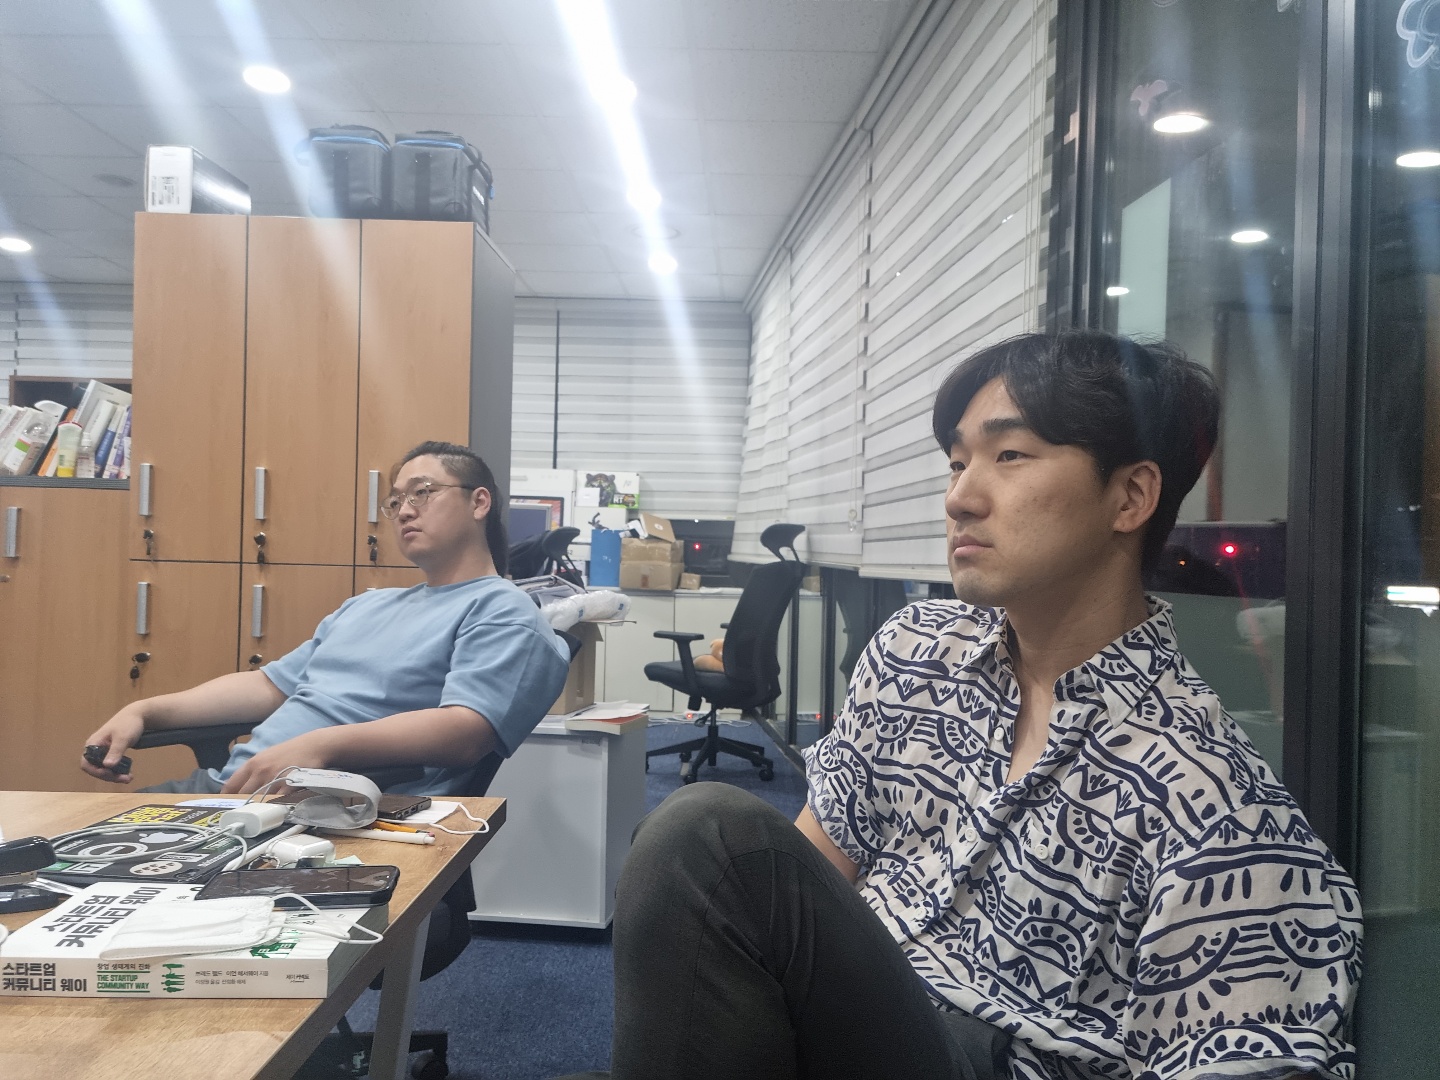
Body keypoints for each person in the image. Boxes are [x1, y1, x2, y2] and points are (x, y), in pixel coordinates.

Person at [564, 331, 1361, 1080]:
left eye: (1009, 455)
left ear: (1130, 496)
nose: (959, 498)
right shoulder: (917, 653)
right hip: (848, 1013)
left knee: (700, 835)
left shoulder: (1219, 813)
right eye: (956, 462)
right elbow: (797, 877)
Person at [82, 441, 571, 796]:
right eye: (396, 501)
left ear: (479, 501)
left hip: (326, 812)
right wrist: (146, 710)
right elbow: (268, 687)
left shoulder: (501, 609)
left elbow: (466, 731)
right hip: (233, 790)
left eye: (422, 492)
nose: (404, 511)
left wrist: (320, 747)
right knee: (60, 853)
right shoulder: (368, 606)